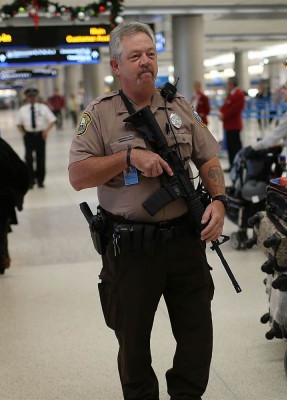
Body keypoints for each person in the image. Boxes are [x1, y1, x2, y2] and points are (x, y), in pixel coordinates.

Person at [68, 21, 227, 400]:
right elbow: (77, 175)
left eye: (151, 54)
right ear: (115, 66)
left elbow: (208, 158)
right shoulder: (99, 114)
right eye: (135, 56)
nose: (145, 62)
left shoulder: (179, 106)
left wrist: (220, 201)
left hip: (185, 240)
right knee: (133, 340)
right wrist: (128, 157)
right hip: (131, 249)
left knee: (197, 333)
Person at [17, 87, 56, 189]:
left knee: (41, 158)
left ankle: (40, 181)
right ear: (27, 98)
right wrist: (23, 134)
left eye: (34, 96)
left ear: (36, 97)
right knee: (28, 158)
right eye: (30, 97)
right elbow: (18, 124)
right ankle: (30, 181)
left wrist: (46, 131)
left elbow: (52, 120)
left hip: (40, 135)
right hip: (28, 135)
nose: (32, 98)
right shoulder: (22, 110)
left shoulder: (43, 108)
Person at [219, 76, 245, 170]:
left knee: (235, 147)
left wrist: (224, 115)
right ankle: (232, 165)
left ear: (232, 84)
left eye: (228, 84)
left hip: (234, 126)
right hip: (228, 125)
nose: (227, 86)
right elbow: (226, 105)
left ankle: (238, 166)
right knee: (230, 147)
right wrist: (221, 113)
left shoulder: (239, 94)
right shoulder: (231, 94)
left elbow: (235, 109)